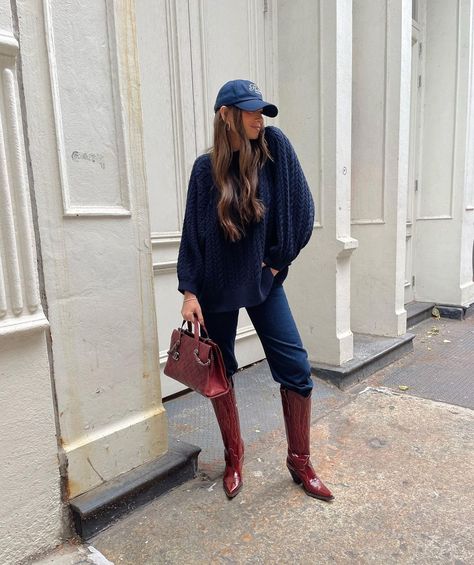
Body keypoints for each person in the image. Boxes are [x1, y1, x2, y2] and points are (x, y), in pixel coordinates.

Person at [176, 79, 333, 502]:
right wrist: (190, 292)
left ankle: (300, 461)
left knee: (296, 368)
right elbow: (193, 235)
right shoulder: (203, 170)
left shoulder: (273, 150)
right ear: (225, 114)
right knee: (221, 371)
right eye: (249, 110)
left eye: (261, 110)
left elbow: (302, 210)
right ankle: (234, 458)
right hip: (215, 287)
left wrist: (279, 260)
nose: (258, 118)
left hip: (263, 283)